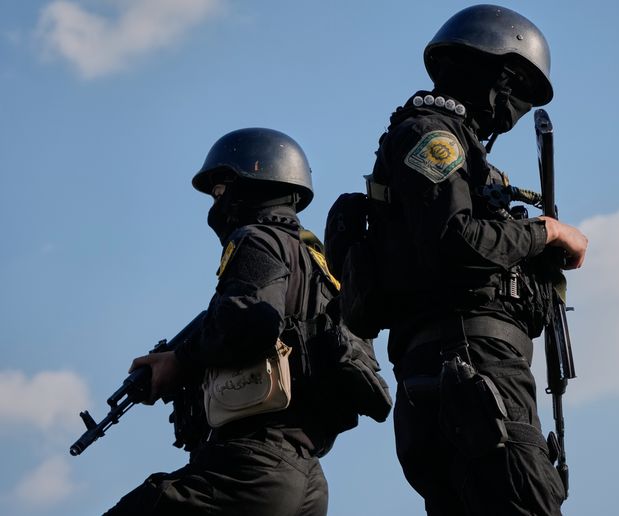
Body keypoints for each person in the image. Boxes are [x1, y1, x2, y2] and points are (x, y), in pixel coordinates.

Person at [354, 5, 589, 516]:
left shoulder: (455, 145)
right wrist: (544, 232)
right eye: (518, 88)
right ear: (498, 76)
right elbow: (455, 241)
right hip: (472, 369)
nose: (517, 107)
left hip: (460, 373)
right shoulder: (432, 134)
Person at [105, 128, 333, 515]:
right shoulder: (316, 262)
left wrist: (180, 361)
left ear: (253, 183)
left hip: (249, 468)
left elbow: (250, 325)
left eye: (221, 189)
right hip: (304, 476)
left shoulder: (258, 240)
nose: (217, 203)